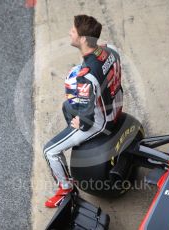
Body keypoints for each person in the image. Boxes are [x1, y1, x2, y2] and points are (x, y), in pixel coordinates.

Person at [43, 14, 123, 208]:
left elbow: (87, 116)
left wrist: (83, 122)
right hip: (115, 104)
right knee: (67, 106)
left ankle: (65, 189)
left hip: (101, 121)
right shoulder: (110, 50)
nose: (70, 32)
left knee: (49, 151)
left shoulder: (85, 77)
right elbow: (106, 50)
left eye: (73, 31)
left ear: (83, 39)